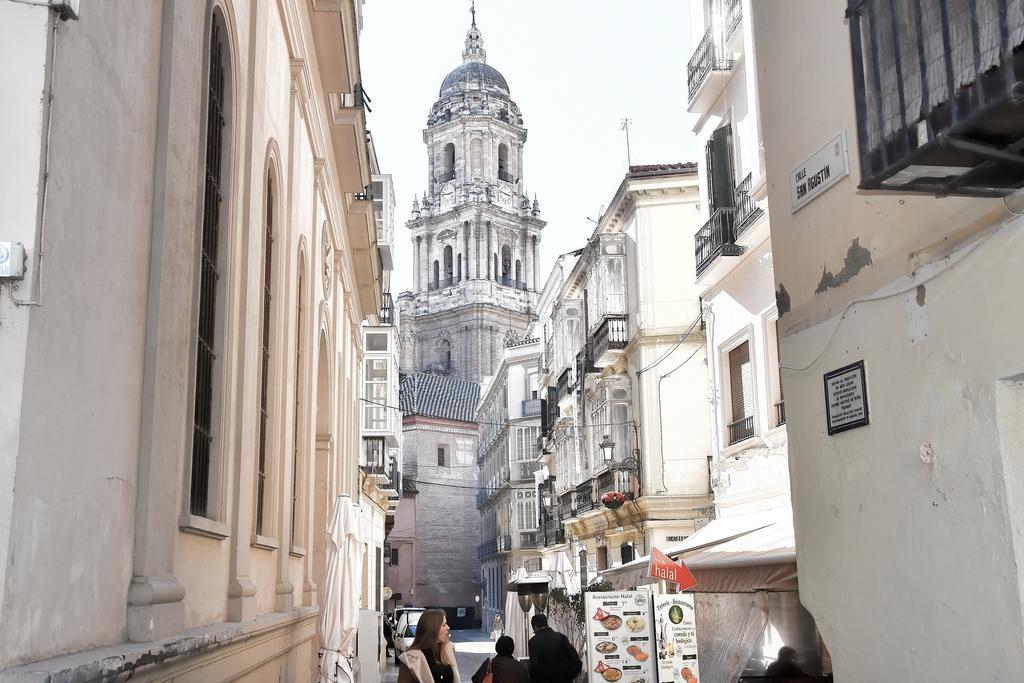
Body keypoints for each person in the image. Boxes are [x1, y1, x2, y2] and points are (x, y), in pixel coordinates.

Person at [398, 609, 461, 683]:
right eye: (444, 625)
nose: (448, 627)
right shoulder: (411, 659)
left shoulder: (448, 650)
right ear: (432, 628)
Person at [527, 614, 582, 683]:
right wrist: (568, 677)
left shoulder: (533, 642)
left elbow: (533, 668)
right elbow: (577, 662)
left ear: (534, 626)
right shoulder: (562, 637)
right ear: (546, 623)